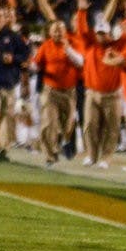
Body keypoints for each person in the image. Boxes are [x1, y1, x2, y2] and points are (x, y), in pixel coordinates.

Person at [74, 0, 126, 169]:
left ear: (109, 33)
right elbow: (82, 29)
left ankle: (105, 157)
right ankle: (91, 155)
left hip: (112, 95)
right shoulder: (91, 45)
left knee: (111, 128)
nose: (100, 36)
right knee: (89, 125)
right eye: (98, 33)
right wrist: (82, 11)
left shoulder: (118, 45)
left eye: (103, 33)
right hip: (92, 93)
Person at [32, 18, 84, 168]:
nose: (58, 33)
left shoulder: (73, 43)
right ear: (50, 32)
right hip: (50, 90)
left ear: (65, 32)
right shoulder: (46, 46)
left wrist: (68, 50)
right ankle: (50, 156)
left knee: (68, 124)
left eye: (60, 30)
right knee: (49, 123)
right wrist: (32, 66)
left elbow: (80, 62)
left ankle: (65, 141)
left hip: (69, 91)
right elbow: (36, 64)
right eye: (55, 31)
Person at [0, 6, 30, 164]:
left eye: (0, 16)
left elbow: (25, 55)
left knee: (6, 118)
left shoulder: (13, 37)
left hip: (9, 84)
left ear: (5, 19)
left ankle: (0, 148)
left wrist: (13, 59)